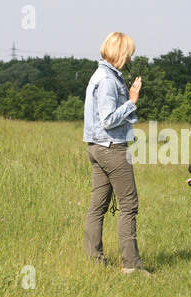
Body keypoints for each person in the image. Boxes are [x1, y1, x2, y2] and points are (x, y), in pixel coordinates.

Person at [83, 32, 147, 275]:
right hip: (111, 148)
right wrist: (132, 101)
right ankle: (131, 266)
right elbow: (109, 120)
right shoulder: (108, 80)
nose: (130, 58)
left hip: (97, 147)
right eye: (129, 53)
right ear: (120, 52)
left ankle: (94, 261)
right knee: (129, 204)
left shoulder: (101, 75)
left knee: (97, 205)